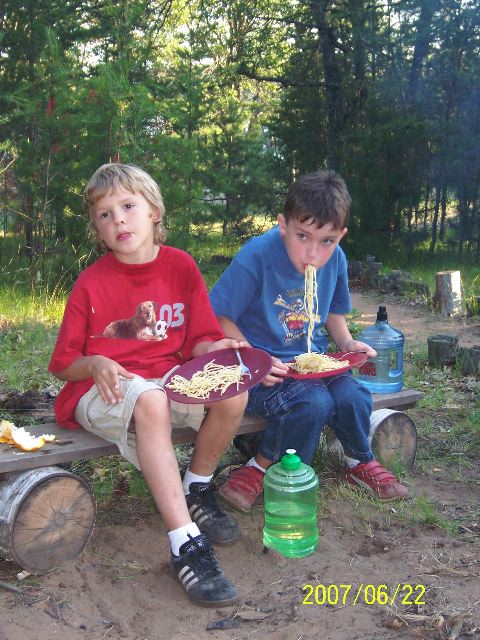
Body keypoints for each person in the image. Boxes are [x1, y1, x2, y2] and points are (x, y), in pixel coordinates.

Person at [48, 163, 249, 607]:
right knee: (151, 399)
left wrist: (216, 348)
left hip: (167, 379)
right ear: (98, 230)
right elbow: (63, 364)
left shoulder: (180, 267)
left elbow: (198, 341)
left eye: (127, 206)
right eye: (104, 215)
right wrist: (95, 362)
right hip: (105, 389)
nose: (118, 220)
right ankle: (184, 542)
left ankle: (196, 486)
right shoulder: (91, 282)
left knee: (234, 388)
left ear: (154, 211)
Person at [209, 168, 408, 511]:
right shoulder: (258, 255)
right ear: (283, 225)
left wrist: (346, 343)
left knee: (352, 394)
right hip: (262, 370)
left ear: (340, 236)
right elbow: (219, 315)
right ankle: (262, 466)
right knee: (314, 402)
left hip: (311, 364)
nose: (313, 253)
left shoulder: (336, 260)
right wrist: (255, 359)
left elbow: (333, 312)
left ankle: (359, 460)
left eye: (327, 241)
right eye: (303, 236)